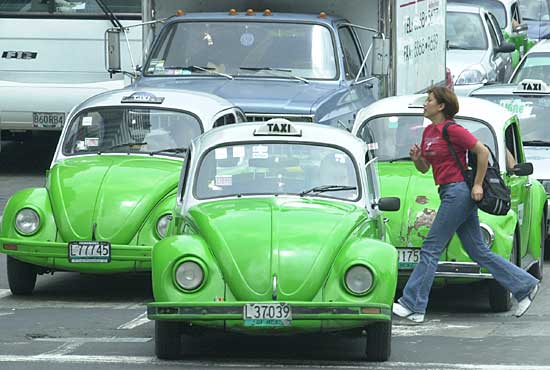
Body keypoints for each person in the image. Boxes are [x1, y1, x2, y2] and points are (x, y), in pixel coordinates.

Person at [392, 86, 540, 323]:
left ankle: (414, 305)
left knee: (431, 246)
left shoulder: (453, 129)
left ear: (441, 106)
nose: (425, 104)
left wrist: (478, 184)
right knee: (477, 251)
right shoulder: (428, 131)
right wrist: (418, 159)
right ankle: (525, 286)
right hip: (447, 191)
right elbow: (425, 169)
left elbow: (481, 152)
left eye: (429, 100)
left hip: (459, 192)